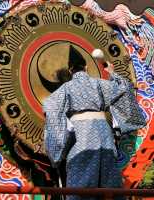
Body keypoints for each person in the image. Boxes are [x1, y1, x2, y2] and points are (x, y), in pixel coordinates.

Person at [43, 45, 146, 200]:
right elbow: (123, 89)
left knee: (81, 183)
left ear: (71, 71)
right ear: (85, 67)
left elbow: (50, 106)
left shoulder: (66, 88)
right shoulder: (99, 84)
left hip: (81, 136)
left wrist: (57, 146)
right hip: (104, 134)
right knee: (110, 183)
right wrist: (112, 73)